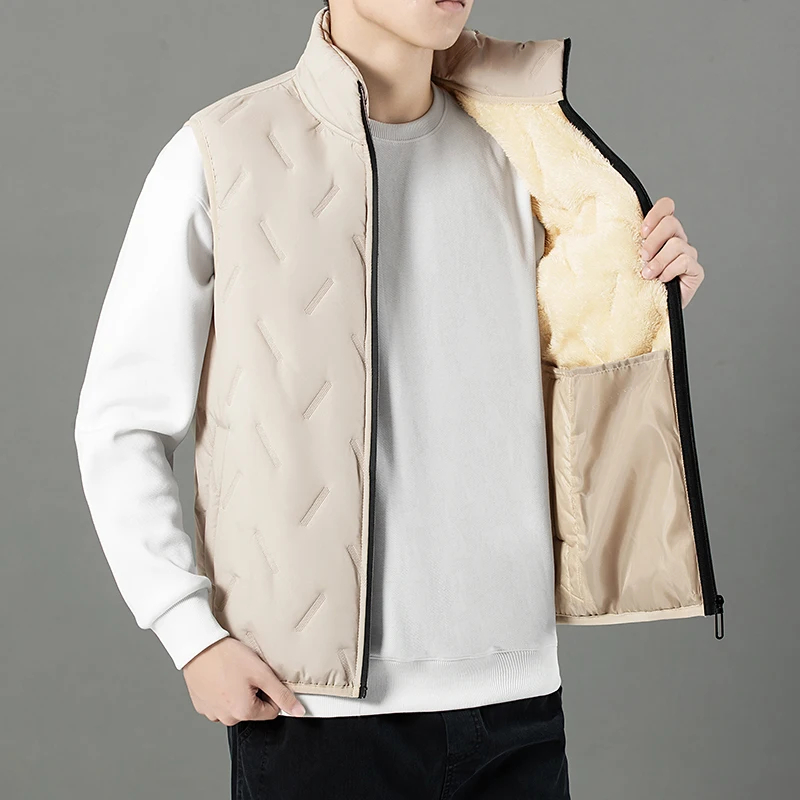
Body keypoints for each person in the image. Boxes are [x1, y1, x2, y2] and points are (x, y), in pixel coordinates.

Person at [74, 1, 717, 798]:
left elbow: (544, 388)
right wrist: (188, 632)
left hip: (516, 701)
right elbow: (121, 422)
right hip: (314, 711)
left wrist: (646, 311)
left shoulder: (532, 156)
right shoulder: (223, 150)